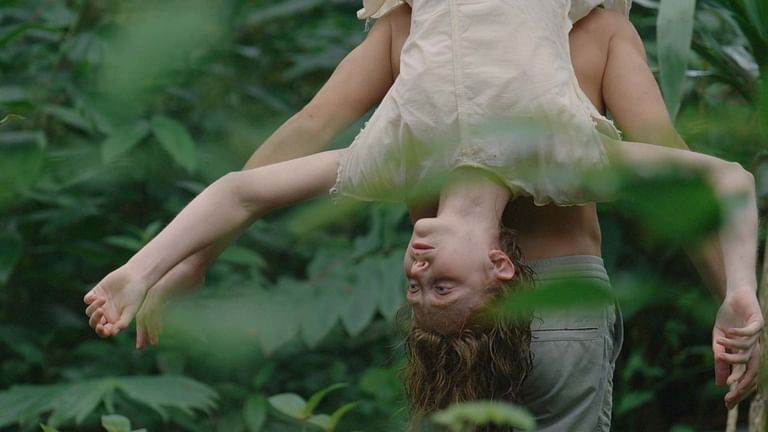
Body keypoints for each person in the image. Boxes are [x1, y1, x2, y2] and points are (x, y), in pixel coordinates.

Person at [84, 1, 762, 429]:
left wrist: (195, 258)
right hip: (539, 304)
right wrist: (735, 305)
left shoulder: (411, 26)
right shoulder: (600, 30)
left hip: (453, 328)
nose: (416, 266)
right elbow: (683, 175)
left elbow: (304, 133)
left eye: (419, 280)